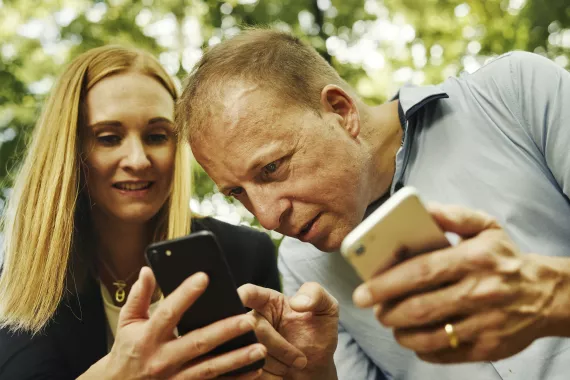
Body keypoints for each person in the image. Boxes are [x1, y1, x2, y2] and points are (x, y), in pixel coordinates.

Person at [176, 28, 570, 380]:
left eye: (272, 168)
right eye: (237, 193)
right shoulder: (300, 270)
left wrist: (551, 296)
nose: (265, 216)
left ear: (341, 111)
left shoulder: (515, 94)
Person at [0, 45, 300, 379]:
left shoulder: (245, 254)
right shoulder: (26, 278)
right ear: (71, 151)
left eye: (157, 136)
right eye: (109, 138)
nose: (138, 160)